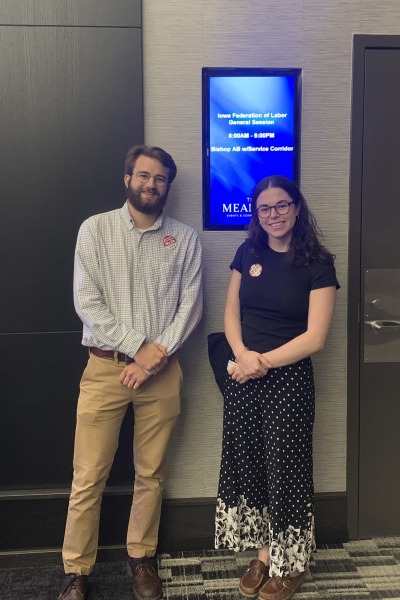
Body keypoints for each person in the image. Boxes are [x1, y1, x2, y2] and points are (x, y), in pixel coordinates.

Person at [58, 145, 203, 600]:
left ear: (167, 186)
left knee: (152, 473)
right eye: (143, 176)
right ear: (127, 179)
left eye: (159, 179)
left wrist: (153, 358)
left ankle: (142, 559)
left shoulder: (185, 239)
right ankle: (77, 571)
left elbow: (191, 306)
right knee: (88, 475)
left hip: (162, 375)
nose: (150, 184)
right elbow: (88, 303)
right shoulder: (95, 230)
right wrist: (140, 349)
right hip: (105, 370)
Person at [215, 175, 339, 600]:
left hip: (287, 380)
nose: (274, 215)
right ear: (256, 214)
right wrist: (242, 354)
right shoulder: (247, 251)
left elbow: (315, 337)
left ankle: (293, 563)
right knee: (251, 467)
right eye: (265, 208)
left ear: (297, 207)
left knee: (287, 471)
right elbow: (231, 311)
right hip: (244, 376)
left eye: (282, 206)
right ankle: (265, 554)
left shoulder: (318, 262)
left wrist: (259, 363)